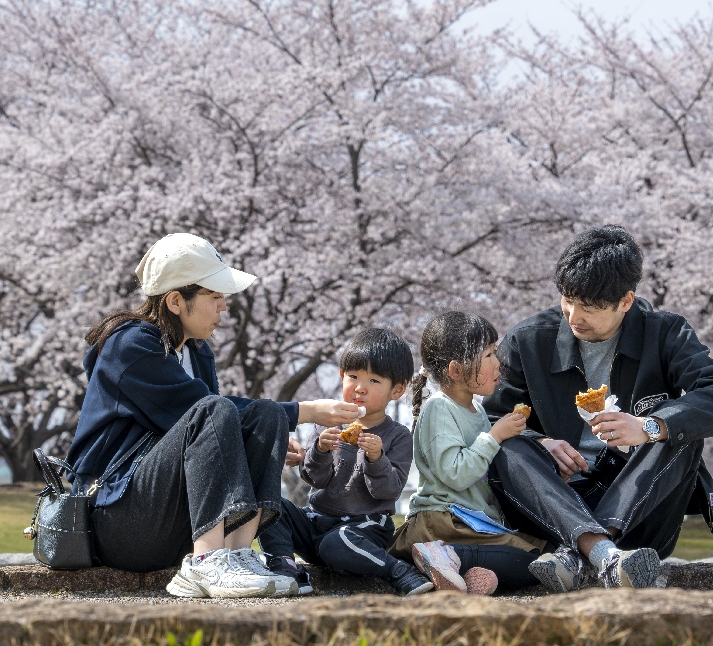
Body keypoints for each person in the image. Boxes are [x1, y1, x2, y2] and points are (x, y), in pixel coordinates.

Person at [67, 233, 360, 598]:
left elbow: (205, 430)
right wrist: (304, 411)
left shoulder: (197, 352)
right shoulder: (129, 346)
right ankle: (206, 564)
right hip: (118, 520)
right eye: (215, 297)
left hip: (171, 522)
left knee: (266, 415)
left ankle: (235, 555)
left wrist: (260, 437)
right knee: (217, 408)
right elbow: (196, 411)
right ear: (176, 300)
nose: (225, 308)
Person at [484, 226, 713, 593]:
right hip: (556, 502)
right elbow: (491, 418)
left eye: (589, 308)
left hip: (638, 513)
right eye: (567, 301)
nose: (574, 317)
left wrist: (650, 427)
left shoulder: (664, 333)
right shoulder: (529, 341)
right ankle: (605, 555)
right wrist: (538, 441)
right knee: (507, 446)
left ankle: (586, 550)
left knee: (679, 430)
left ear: (626, 301)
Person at [257, 329, 433, 597]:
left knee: (335, 544)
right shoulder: (328, 422)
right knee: (270, 504)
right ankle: (285, 568)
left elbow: (389, 491)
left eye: (374, 380)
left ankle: (397, 571)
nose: (360, 387)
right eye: (353, 377)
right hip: (317, 520)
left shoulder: (397, 435)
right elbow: (313, 478)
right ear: (342, 376)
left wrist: (377, 459)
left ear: (396, 390)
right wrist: (319, 450)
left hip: (363, 527)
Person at [388, 311, 547, 595]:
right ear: (456, 371)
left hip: (464, 520)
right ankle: (445, 554)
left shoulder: (477, 410)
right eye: (488, 355)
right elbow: (456, 473)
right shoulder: (440, 408)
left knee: (539, 554)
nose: (498, 363)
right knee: (535, 559)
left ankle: (469, 574)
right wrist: (495, 435)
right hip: (444, 520)